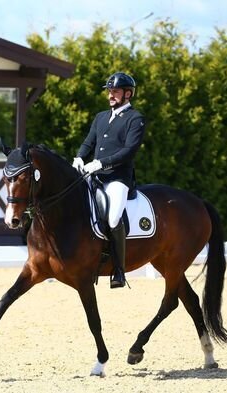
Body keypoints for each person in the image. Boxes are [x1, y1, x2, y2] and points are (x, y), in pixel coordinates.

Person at [72, 72, 146, 288]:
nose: (110, 95)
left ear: (127, 93)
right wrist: (79, 156)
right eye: (110, 91)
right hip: (94, 175)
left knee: (113, 218)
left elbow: (128, 151)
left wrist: (101, 163)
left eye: (115, 92)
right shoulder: (101, 117)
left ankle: (119, 271)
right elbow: (89, 142)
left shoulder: (135, 118)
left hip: (118, 178)